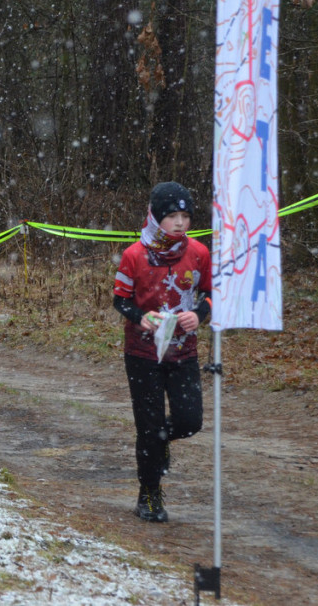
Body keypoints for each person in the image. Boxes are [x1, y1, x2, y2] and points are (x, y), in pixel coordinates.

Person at [112, 181, 212, 522]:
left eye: (185, 216)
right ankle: (149, 494)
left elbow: (209, 294)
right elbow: (120, 300)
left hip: (183, 353)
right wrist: (141, 318)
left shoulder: (198, 252)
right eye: (172, 216)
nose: (180, 223)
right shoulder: (134, 255)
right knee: (148, 425)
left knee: (189, 420)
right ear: (156, 217)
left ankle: (162, 440)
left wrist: (197, 315)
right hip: (143, 355)